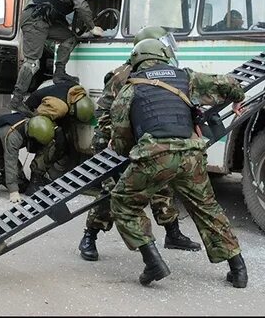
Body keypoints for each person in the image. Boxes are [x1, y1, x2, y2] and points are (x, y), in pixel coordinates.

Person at [108, 38, 249, 288]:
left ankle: (153, 262)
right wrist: (238, 97)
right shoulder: (185, 77)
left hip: (154, 156)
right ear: (163, 55)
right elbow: (227, 83)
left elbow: (120, 142)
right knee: (207, 208)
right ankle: (238, 269)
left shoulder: (128, 90)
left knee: (123, 202)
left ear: (137, 60)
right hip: (191, 155)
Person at [79, 26, 201, 262]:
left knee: (162, 185)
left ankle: (173, 233)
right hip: (115, 142)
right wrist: (114, 144)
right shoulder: (121, 75)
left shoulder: (164, 71)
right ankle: (90, 236)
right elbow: (106, 114)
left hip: (146, 141)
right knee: (111, 191)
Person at [9, 0, 105, 115]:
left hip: (44, 19)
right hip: (35, 19)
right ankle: (17, 100)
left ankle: (59, 73)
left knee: (69, 38)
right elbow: (82, 7)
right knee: (32, 62)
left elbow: (56, 10)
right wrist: (92, 27)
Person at [24, 80, 95, 189]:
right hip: (32, 111)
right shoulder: (58, 108)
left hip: (53, 107)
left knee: (63, 135)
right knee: (50, 141)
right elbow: (41, 123)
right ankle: (36, 177)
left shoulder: (78, 93)